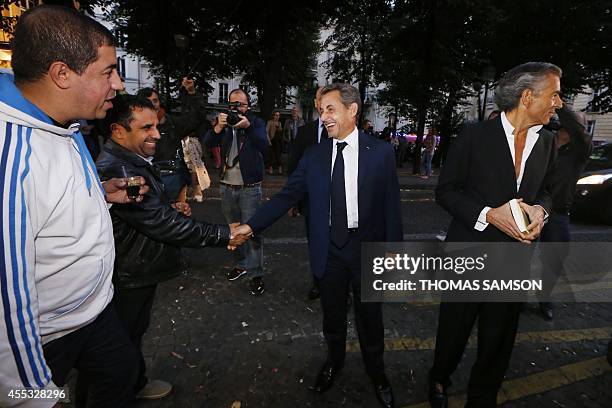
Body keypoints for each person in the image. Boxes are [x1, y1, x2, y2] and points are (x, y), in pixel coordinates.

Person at [0, 5, 151, 407]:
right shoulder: (11, 158)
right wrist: (30, 396)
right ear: (61, 74)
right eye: (108, 72)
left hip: (94, 312)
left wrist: (101, 192)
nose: (118, 84)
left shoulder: (64, 123)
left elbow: (45, 200)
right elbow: (4, 301)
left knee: (122, 374)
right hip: (47, 336)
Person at [235, 83, 402, 408]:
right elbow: (286, 196)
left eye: (330, 109)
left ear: (352, 110)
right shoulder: (314, 156)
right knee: (333, 317)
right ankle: (334, 362)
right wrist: (250, 225)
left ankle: (377, 373)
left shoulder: (381, 153)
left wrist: (394, 249)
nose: (323, 117)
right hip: (330, 250)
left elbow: (391, 205)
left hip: (367, 250)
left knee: (371, 320)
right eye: (321, 110)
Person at [94, 95, 248, 401]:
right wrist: (223, 235)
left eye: (156, 125)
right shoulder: (120, 169)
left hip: (137, 268)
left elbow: (151, 214)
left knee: (132, 335)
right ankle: (123, 391)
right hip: (127, 274)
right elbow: (159, 223)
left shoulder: (129, 159)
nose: (156, 133)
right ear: (118, 130)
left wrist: (172, 208)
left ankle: (135, 383)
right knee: (116, 351)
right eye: (146, 127)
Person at [429, 62, 560, 408]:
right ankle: (439, 380)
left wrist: (540, 212)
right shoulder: (473, 135)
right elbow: (446, 191)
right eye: (555, 94)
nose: (559, 102)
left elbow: (547, 192)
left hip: (514, 263)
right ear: (527, 96)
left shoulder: (547, 142)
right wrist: (488, 215)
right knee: (453, 332)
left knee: (498, 339)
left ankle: (482, 396)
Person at [203, 88, 268, 296]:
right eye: (233, 104)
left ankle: (256, 273)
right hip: (226, 185)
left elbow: (264, 146)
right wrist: (218, 127)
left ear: (248, 106)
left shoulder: (255, 123)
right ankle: (241, 264)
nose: (237, 108)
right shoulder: (223, 123)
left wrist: (248, 127)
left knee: (252, 232)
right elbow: (207, 144)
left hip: (250, 188)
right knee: (234, 230)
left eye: (241, 104)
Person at [538, 107, 592, 320]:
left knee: (554, 259)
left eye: (580, 123)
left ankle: (544, 297)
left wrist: (558, 103)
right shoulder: (543, 140)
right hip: (532, 208)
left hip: (559, 213)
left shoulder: (580, 151)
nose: (580, 127)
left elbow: (578, 131)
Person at [287, 86, 327, 300]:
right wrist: (293, 201)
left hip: (341, 204)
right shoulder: (305, 133)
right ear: (315, 103)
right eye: (322, 98)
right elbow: (294, 168)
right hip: (312, 203)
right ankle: (318, 283)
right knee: (316, 245)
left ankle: (341, 289)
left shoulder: (345, 131)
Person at [137, 80, 206, 202]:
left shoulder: (172, 123)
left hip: (175, 184)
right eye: (148, 102)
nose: (153, 105)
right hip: (148, 185)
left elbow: (197, 117)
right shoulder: (134, 129)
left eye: (155, 101)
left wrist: (192, 93)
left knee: (178, 218)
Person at [266, 110, 284, 175]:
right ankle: (270, 169)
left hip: (278, 142)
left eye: (278, 115)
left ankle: (280, 169)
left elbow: (281, 131)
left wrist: (279, 127)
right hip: (272, 140)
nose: (277, 117)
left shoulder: (279, 123)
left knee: (278, 155)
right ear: (273, 115)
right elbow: (266, 132)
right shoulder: (269, 122)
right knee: (271, 155)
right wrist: (269, 141)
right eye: (276, 115)